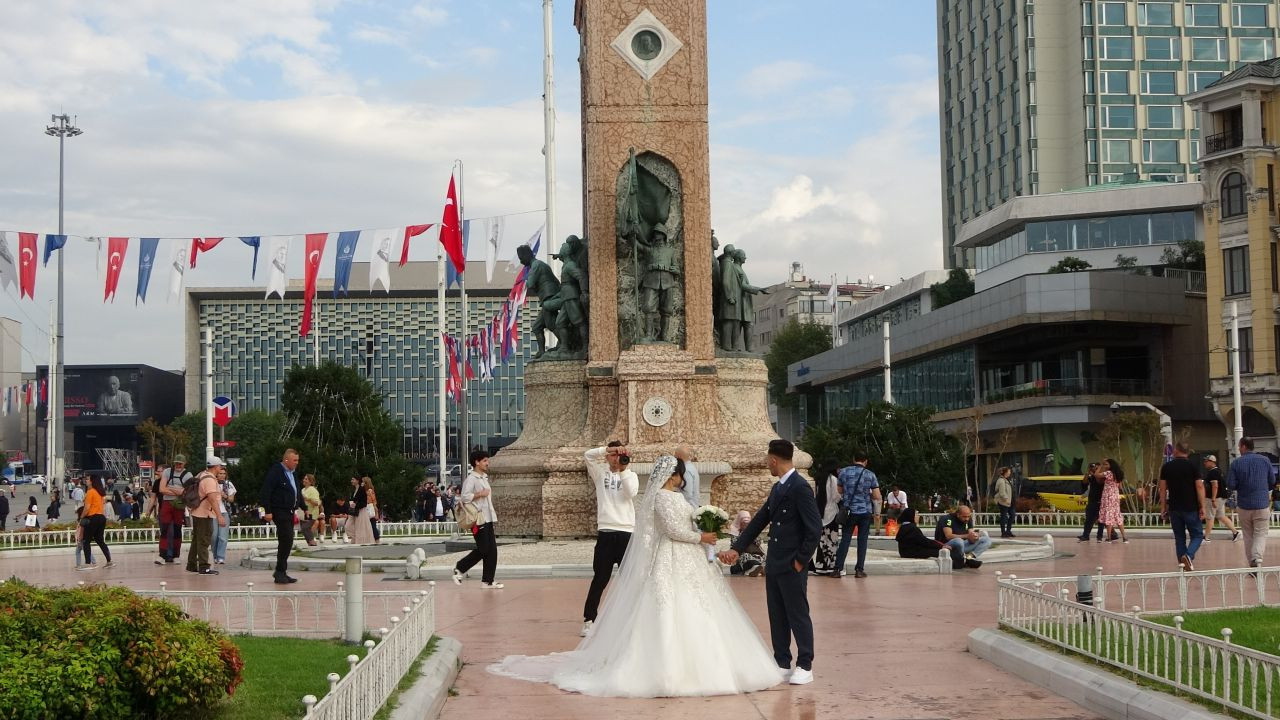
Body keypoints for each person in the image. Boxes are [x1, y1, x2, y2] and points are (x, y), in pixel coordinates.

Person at [489, 455, 784, 697]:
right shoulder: (663, 498)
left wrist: (703, 534)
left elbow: (684, 526)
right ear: (673, 475)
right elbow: (671, 531)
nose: (683, 479)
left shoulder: (673, 496)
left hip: (687, 558)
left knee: (698, 606)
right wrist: (701, 538)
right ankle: (668, 670)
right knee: (669, 608)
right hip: (672, 556)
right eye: (681, 474)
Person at [721, 439, 822, 686]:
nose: (768, 465)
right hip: (775, 562)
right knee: (777, 615)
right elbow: (759, 521)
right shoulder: (778, 488)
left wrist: (801, 561)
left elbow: (814, 528)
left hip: (791, 564)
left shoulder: (800, 487)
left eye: (768, 461)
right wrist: (737, 548)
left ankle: (805, 664)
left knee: (797, 614)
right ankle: (782, 663)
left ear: (774, 460)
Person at [580, 442, 640, 637]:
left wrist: (623, 469)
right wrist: (607, 450)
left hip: (626, 532)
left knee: (629, 579)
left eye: (619, 454)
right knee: (600, 578)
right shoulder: (600, 473)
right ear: (607, 457)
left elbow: (631, 493)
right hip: (606, 531)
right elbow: (588, 455)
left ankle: (633, 619)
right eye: (613, 455)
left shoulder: (631, 475)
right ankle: (589, 620)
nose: (616, 458)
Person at [1226, 436, 1278, 569]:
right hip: (1261, 504)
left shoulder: (1236, 463)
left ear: (1243, 446)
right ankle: (1257, 558)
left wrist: (1241, 485)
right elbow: (1272, 480)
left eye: (1239, 446)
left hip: (1244, 505)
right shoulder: (1265, 461)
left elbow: (1231, 484)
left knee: (1248, 535)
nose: (1238, 448)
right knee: (1260, 533)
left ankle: (1252, 563)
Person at [454, 450, 502, 589]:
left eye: (487, 460)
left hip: (487, 518)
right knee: (484, 549)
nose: (488, 463)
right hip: (478, 519)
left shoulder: (484, 478)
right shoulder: (472, 479)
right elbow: (464, 497)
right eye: (485, 460)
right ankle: (459, 568)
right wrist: (480, 494)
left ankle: (488, 581)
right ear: (477, 462)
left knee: (492, 550)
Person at [1158, 442, 1205, 572]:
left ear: (1176, 451)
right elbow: (1199, 486)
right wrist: (1202, 506)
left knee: (1179, 537)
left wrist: (1163, 507)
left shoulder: (1167, 467)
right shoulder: (1193, 466)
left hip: (1174, 507)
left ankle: (1182, 564)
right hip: (1191, 506)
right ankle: (1188, 556)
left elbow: (1162, 489)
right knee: (1197, 534)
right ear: (1187, 452)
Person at [833, 452, 879, 579]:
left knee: (845, 539)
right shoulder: (870, 474)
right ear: (866, 461)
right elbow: (877, 496)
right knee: (862, 541)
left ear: (854, 459)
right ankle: (859, 570)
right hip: (865, 512)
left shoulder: (843, 472)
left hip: (850, 512)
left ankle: (837, 569)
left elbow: (840, 490)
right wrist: (866, 494)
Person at [261, 448, 303, 584]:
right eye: (294, 460)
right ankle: (279, 572)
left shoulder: (293, 473)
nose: (297, 463)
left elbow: (296, 490)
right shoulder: (276, 472)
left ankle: (281, 571)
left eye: (297, 460)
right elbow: (266, 491)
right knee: (287, 539)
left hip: (290, 511)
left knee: (287, 541)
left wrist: (304, 507)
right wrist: (267, 510)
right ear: (286, 460)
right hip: (280, 510)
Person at [187, 458, 225, 576]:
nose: (221, 468)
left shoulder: (201, 474)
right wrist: (219, 516)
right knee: (204, 540)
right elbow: (212, 499)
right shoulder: (209, 480)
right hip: (205, 513)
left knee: (197, 540)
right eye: (220, 466)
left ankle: (192, 564)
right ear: (215, 467)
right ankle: (204, 566)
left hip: (197, 512)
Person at [896, 508, 965, 568]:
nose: (918, 516)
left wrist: (939, 545)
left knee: (938, 550)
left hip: (907, 552)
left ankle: (964, 561)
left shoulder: (904, 527)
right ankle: (962, 562)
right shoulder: (912, 528)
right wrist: (941, 546)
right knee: (942, 552)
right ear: (911, 516)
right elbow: (924, 541)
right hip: (912, 552)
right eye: (916, 514)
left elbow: (922, 541)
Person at [155, 457, 190, 565]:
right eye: (176, 464)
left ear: (184, 463)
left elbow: (187, 492)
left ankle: (176, 555)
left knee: (177, 530)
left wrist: (170, 489)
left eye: (180, 464)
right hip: (167, 503)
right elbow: (162, 489)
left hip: (179, 505)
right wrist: (178, 491)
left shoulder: (188, 475)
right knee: (164, 530)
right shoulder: (167, 472)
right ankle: (162, 555)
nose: (178, 466)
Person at [808, 465, 841, 576]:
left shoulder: (819, 479)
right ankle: (830, 565)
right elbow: (836, 497)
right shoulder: (833, 479)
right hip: (832, 513)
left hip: (821, 513)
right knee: (831, 540)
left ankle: (820, 565)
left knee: (822, 541)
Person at [1200, 455, 1239, 543]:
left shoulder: (1213, 472)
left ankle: (1206, 537)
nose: (1204, 463)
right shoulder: (1219, 471)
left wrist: (1213, 499)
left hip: (1214, 498)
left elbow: (1215, 486)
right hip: (1222, 497)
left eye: (1206, 461)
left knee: (1209, 517)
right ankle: (1235, 532)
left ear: (1212, 462)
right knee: (1221, 516)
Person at [80, 477, 113, 570]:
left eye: (87, 479)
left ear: (92, 481)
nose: (86, 481)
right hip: (101, 517)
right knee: (100, 540)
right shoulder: (100, 493)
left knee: (86, 540)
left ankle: (88, 563)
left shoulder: (90, 492)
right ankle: (109, 560)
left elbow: (87, 508)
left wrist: (81, 517)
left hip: (93, 517)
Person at [1098, 458, 1128, 543]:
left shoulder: (1108, 473)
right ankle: (1124, 537)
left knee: (1109, 516)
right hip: (1115, 496)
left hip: (1108, 497)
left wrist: (1100, 466)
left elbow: (1097, 475)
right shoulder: (1119, 474)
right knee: (1117, 515)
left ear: (1111, 465)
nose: (1105, 466)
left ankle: (1109, 538)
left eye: (1106, 464)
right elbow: (1120, 487)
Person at [727, 510, 765, 576]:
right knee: (739, 565)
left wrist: (752, 535)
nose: (746, 525)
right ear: (740, 523)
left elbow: (758, 542)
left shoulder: (753, 531)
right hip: (742, 554)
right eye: (744, 523)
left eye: (747, 523)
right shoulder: (735, 533)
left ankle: (760, 569)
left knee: (762, 560)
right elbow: (734, 545)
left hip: (756, 553)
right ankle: (754, 569)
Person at [1077, 463, 1107, 542]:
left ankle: (1099, 537)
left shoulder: (1102, 477)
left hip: (1100, 502)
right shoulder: (1093, 477)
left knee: (1101, 521)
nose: (1095, 469)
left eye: (1096, 468)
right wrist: (1088, 472)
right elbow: (1084, 482)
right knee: (1088, 520)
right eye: (1094, 468)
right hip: (1091, 501)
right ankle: (1085, 535)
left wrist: (1096, 472)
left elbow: (1099, 481)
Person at [212, 467, 236, 564]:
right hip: (213, 512)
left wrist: (224, 495)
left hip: (224, 511)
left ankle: (221, 556)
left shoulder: (228, 484)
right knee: (214, 536)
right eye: (220, 473)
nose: (222, 475)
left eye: (224, 473)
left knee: (222, 536)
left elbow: (231, 499)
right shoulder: (212, 483)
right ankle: (214, 555)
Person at [346, 476, 376, 544]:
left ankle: (360, 540)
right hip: (353, 511)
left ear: (357, 481)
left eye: (353, 479)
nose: (351, 481)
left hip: (361, 511)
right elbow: (353, 500)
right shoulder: (353, 490)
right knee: (347, 526)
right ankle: (356, 538)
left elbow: (364, 503)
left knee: (360, 527)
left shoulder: (362, 489)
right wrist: (351, 503)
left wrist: (356, 505)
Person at [300, 474, 323, 546]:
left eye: (306, 479)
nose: (304, 480)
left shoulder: (313, 490)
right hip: (303, 512)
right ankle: (310, 542)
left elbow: (317, 503)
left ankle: (312, 541)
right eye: (304, 478)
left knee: (305, 527)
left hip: (311, 513)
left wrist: (307, 499)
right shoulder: (302, 490)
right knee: (304, 528)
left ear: (310, 481)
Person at [994, 467, 1016, 538]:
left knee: (1012, 515)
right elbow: (1002, 492)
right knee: (1003, 516)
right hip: (1004, 502)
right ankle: (1003, 533)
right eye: (1009, 471)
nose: (1010, 472)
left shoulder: (1006, 480)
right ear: (1005, 472)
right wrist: (1006, 499)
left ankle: (1008, 531)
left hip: (1010, 501)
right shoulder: (1001, 480)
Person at [364, 477, 382, 543]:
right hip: (367, 508)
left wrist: (376, 513)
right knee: (370, 525)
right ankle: (374, 537)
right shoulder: (366, 491)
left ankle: (377, 538)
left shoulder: (370, 491)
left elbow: (374, 502)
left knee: (372, 525)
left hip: (370, 508)